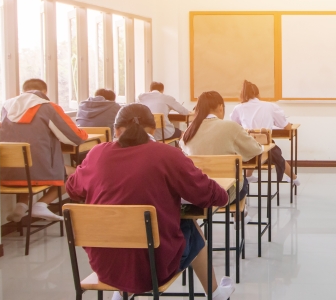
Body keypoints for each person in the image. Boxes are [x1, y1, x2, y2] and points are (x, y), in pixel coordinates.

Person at [66, 104, 235, 300]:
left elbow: (72, 188)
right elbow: (209, 194)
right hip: (155, 269)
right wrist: (224, 195)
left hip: (105, 266)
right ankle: (214, 294)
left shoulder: (97, 154)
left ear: (116, 130)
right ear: (153, 130)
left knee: (123, 231)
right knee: (191, 226)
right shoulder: (167, 154)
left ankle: (121, 294)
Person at [0, 79, 88, 222]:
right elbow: (75, 137)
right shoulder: (47, 107)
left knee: (29, 167)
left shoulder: (6, 106)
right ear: (45, 92)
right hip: (40, 170)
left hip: (9, 171)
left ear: (23, 91)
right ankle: (41, 204)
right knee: (77, 173)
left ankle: (21, 205)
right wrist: (84, 133)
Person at [181, 91, 263, 203]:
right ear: (220, 107)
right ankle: (239, 215)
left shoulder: (189, 131)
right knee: (243, 181)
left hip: (198, 191)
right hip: (226, 192)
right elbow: (255, 149)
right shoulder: (230, 127)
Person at [230, 80, 300, 186]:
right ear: (258, 94)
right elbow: (286, 126)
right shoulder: (269, 106)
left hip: (246, 148)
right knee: (274, 152)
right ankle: (294, 178)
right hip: (264, 146)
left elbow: (233, 126)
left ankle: (248, 177)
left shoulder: (239, 108)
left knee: (254, 147)